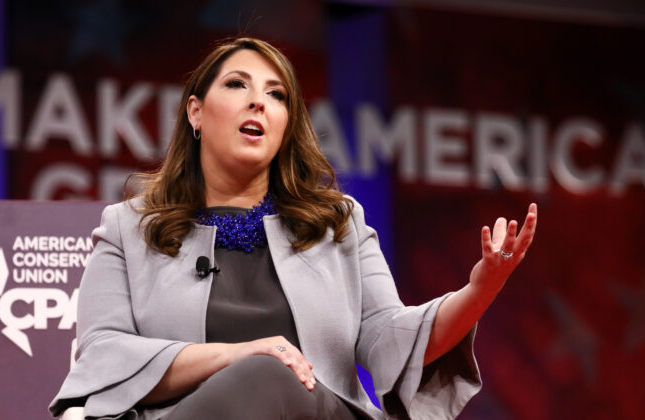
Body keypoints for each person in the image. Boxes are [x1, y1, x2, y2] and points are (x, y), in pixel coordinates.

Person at [49, 37, 537, 420]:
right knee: (261, 370)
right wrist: (236, 356)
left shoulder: (337, 225)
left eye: (276, 94)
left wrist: (478, 290)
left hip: (319, 417)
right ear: (195, 112)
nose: (258, 102)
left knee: (269, 376)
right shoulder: (129, 229)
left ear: (286, 123)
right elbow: (104, 356)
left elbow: (390, 340)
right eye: (237, 85)